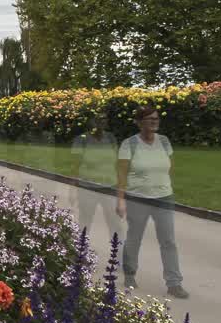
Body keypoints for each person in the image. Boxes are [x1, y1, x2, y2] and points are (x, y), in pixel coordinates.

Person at [115, 105, 188, 299]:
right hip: (137, 198)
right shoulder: (129, 144)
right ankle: (130, 274)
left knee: (168, 241)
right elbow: (121, 174)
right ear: (139, 123)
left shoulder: (164, 142)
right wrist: (121, 200)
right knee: (134, 238)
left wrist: (161, 184)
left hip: (164, 198)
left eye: (156, 118)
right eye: (149, 119)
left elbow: (169, 166)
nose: (154, 121)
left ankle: (174, 283)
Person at [70, 114, 122, 242]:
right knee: (85, 222)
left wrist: (120, 194)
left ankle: (118, 255)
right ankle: (80, 253)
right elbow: (74, 167)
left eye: (104, 119)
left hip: (109, 187)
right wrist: (72, 190)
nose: (102, 122)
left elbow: (118, 165)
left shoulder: (110, 138)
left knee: (115, 224)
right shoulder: (82, 139)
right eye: (98, 119)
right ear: (92, 122)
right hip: (88, 188)